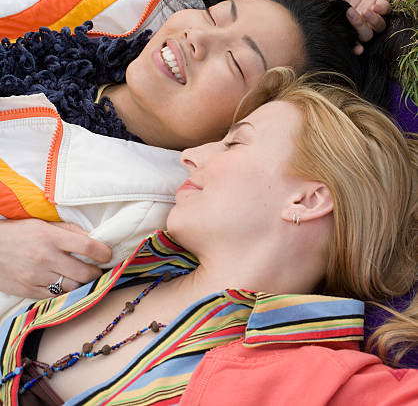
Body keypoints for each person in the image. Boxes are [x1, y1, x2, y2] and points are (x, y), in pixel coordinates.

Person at [0, 0, 410, 307]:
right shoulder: (132, 18)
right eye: (217, 17)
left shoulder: (137, 208)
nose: (198, 38)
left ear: (252, 124)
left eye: (236, 63)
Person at [0, 67, 416, 405]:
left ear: (307, 200)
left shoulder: (308, 379)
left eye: (234, 143)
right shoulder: (132, 246)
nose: (191, 155)